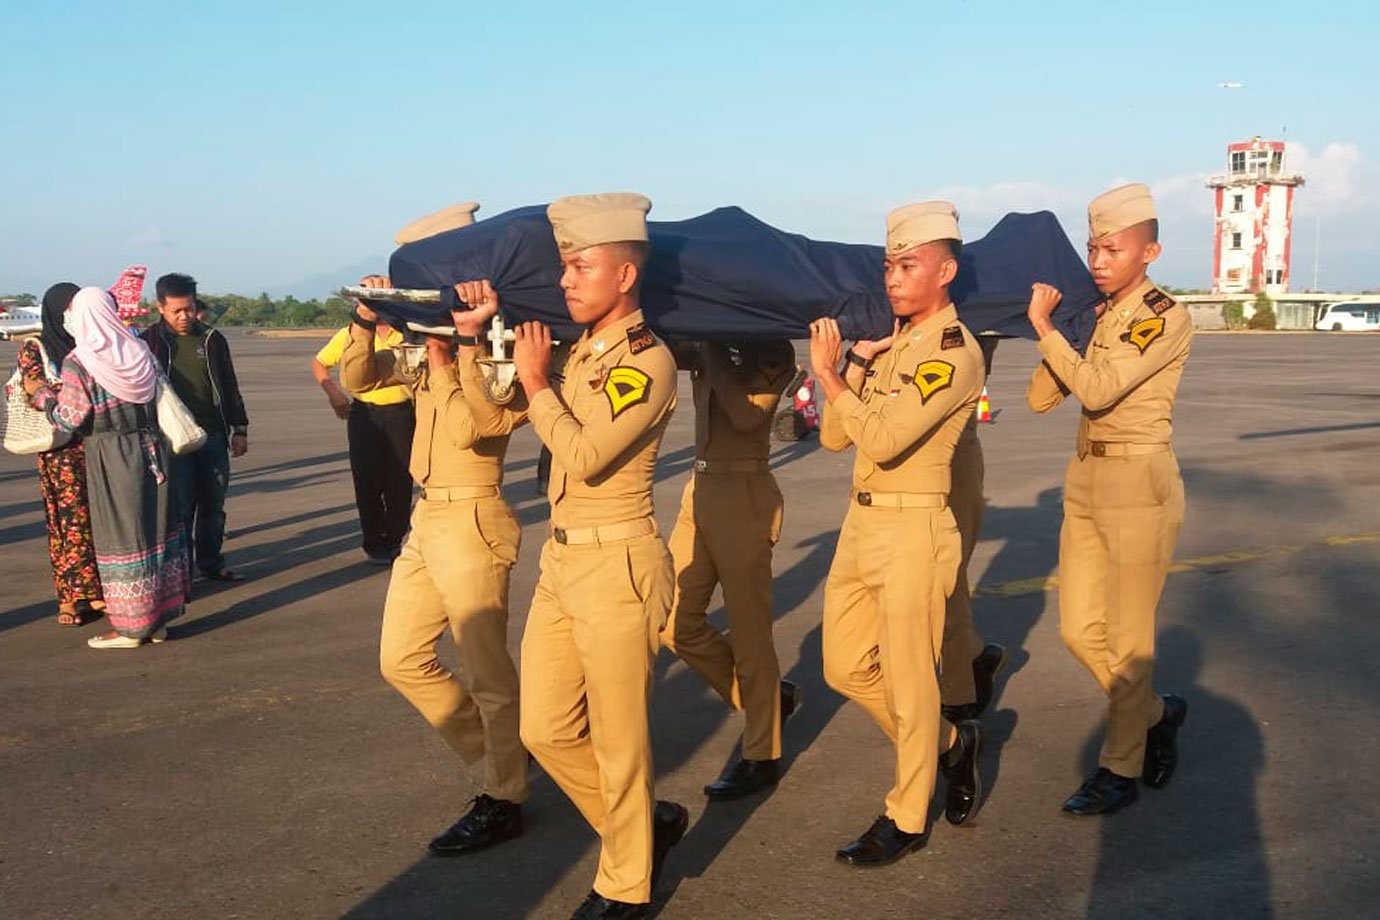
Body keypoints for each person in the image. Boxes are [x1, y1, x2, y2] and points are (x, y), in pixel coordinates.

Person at [510, 192, 687, 919]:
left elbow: (584, 454)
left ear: (623, 277)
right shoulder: (581, 351)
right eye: (563, 267)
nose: (565, 280)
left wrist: (533, 384)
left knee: (620, 741)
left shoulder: (649, 362)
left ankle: (626, 884)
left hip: (618, 564)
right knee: (543, 728)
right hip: (562, 563)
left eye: (580, 265)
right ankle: (643, 827)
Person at [810, 201, 985, 866]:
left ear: (945, 270)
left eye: (907, 265)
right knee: (845, 664)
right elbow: (832, 436)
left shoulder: (952, 352)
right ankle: (949, 743)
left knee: (911, 681)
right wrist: (854, 360)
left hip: (914, 526)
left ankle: (907, 816)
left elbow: (881, 437)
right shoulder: (893, 347)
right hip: (863, 523)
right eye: (888, 265)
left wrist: (826, 373)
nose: (892, 278)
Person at [340, 275, 528, 857]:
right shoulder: (419, 349)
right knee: (400, 659)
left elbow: (481, 425)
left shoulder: (501, 349)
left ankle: (505, 796)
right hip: (428, 517)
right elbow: (357, 381)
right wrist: (367, 320)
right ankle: (509, 756)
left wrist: (454, 352)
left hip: (474, 514)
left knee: (488, 674)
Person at [1024, 183, 1192, 816]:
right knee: (1076, 629)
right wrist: (1069, 327)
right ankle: (1156, 714)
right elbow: (1043, 397)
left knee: (1126, 640)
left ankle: (1118, 768)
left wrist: (1044, 328)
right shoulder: (1097, 317)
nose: (1098, 259)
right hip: (1087, 481)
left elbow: (1097, 391)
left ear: (1148, 252)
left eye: (1112, 248)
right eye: (1093, 247)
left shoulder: (1162, 315)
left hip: (1139, 485)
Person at [661, 339, 802, 799]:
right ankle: (762, 700)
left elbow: (747, 416)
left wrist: (714, 350)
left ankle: (762, 753)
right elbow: (665, 354)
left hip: (744, 490)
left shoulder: (771, 350)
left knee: (749, 633)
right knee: (673, 623)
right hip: (699, 490)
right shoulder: (708, 342)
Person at [27, 287, 190, 648]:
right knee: (156, 530)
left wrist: (42, 396)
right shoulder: (139, 350)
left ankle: (131, 627)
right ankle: (158, 620)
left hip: (112, 455)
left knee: (122, 535)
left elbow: (70, 419)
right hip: (153, 448)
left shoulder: (81, 362)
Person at [141, 273, 249, 581]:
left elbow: (229, 385)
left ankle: (212, 563)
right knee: (182, 507)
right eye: (176, 310)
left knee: (214, 505)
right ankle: (182, 572)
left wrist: (239, 428)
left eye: (188, 308)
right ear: (159, 307)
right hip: (172, 440)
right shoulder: (149, 342)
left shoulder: (212, 339)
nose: (184, 316)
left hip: (213, 434)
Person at [16, 282, 106, 626]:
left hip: (95, 444)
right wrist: (64, 396)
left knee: (99, 519)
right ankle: (69, 597)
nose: (72, 314)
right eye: (67, 308)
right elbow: (33, 386)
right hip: (60, 450)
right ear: (55, 312)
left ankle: (96, 591)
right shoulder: (34, 348)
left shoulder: (90, 344)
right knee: (69, 522)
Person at [939, 336, 1006, 727]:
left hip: (953, 454)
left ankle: (960, 690)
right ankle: (974, 655)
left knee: (946, 581)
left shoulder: (974, 317)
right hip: (899, 458)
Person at [312, 315, 415, 564]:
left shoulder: (407, 331)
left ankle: (394, 539)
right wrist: (333, 393)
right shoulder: (350, 333)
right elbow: (319, 363)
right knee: (367, 481)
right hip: (365, 414)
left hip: (402, 413)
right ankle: (374, 542)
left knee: (400, 480)